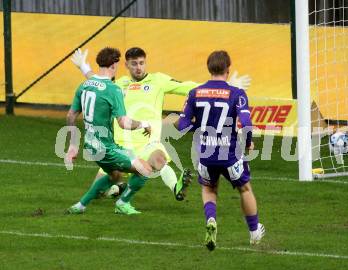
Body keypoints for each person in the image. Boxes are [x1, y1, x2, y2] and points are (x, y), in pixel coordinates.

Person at [71, 47, 251, 209]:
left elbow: (187, 87)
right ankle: (116, 189)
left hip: (148, 141)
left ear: (145, 63)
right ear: (126, 65)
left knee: (159, 159)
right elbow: (98, 84)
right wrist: (83, 67)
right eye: (134, 64)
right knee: (103, 189)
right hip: (119, 144)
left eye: (141, 63)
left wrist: (225, 86)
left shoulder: (158, 80)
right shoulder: (119, 84)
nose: (138, 67)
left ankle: (176, 188)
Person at [178, 50, 264, 251]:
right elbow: (247, 122)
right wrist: (249, 142)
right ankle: (254, 233)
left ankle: (211, 220)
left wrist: (199, 128)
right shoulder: (237, 93)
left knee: (209, 189)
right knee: (245, 189)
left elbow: (181, 125)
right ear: (228, 69)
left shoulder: (194, 93)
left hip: (206, 154)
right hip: (230, 153)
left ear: (209, 68)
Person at [65, 47, 155, 215]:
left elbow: (71, 116)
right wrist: (144, 123)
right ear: (114, 65)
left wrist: (72, 146)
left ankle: (81, 206)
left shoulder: (84, 85)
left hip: (90, 146)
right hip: (106, 149)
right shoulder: (114, 90)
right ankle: (122, 203)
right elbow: (124, 122)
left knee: (114, 176)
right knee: (145, 169)